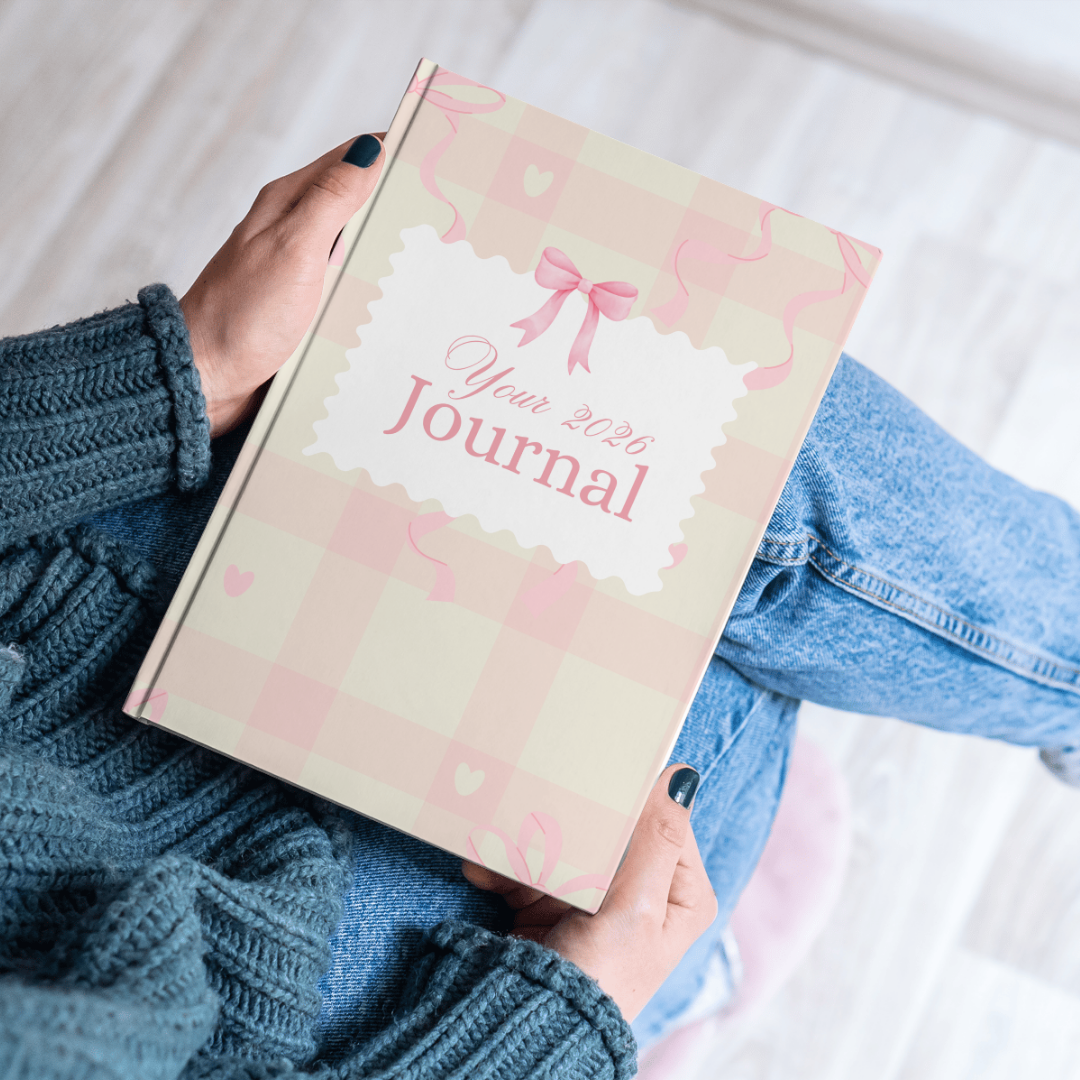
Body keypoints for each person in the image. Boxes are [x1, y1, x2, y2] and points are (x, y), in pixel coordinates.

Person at [1, 132, 1078, 1078]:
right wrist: (562, 1013)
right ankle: (684, 994)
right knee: (718, 521)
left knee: (702, 409)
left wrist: (175, 374)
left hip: (51, 617)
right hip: (272, 998)